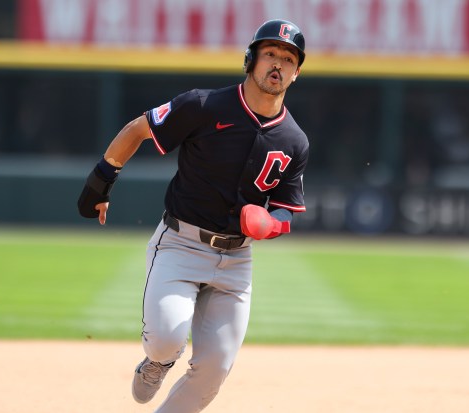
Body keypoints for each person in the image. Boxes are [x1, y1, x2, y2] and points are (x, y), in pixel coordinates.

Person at [78, 19, 309, 413]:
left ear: (296, 72)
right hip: (181, 243)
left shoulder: (295, 140)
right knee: (167, 338)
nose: (278, 64)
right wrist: (101, 179)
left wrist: (272, 224)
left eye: (288, 58)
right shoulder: (204, 105)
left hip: (236, 262)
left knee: (215, 369)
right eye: (270, 53)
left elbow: (288, 207)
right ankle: (158, 362)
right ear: (251, 59)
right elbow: (139, 128)